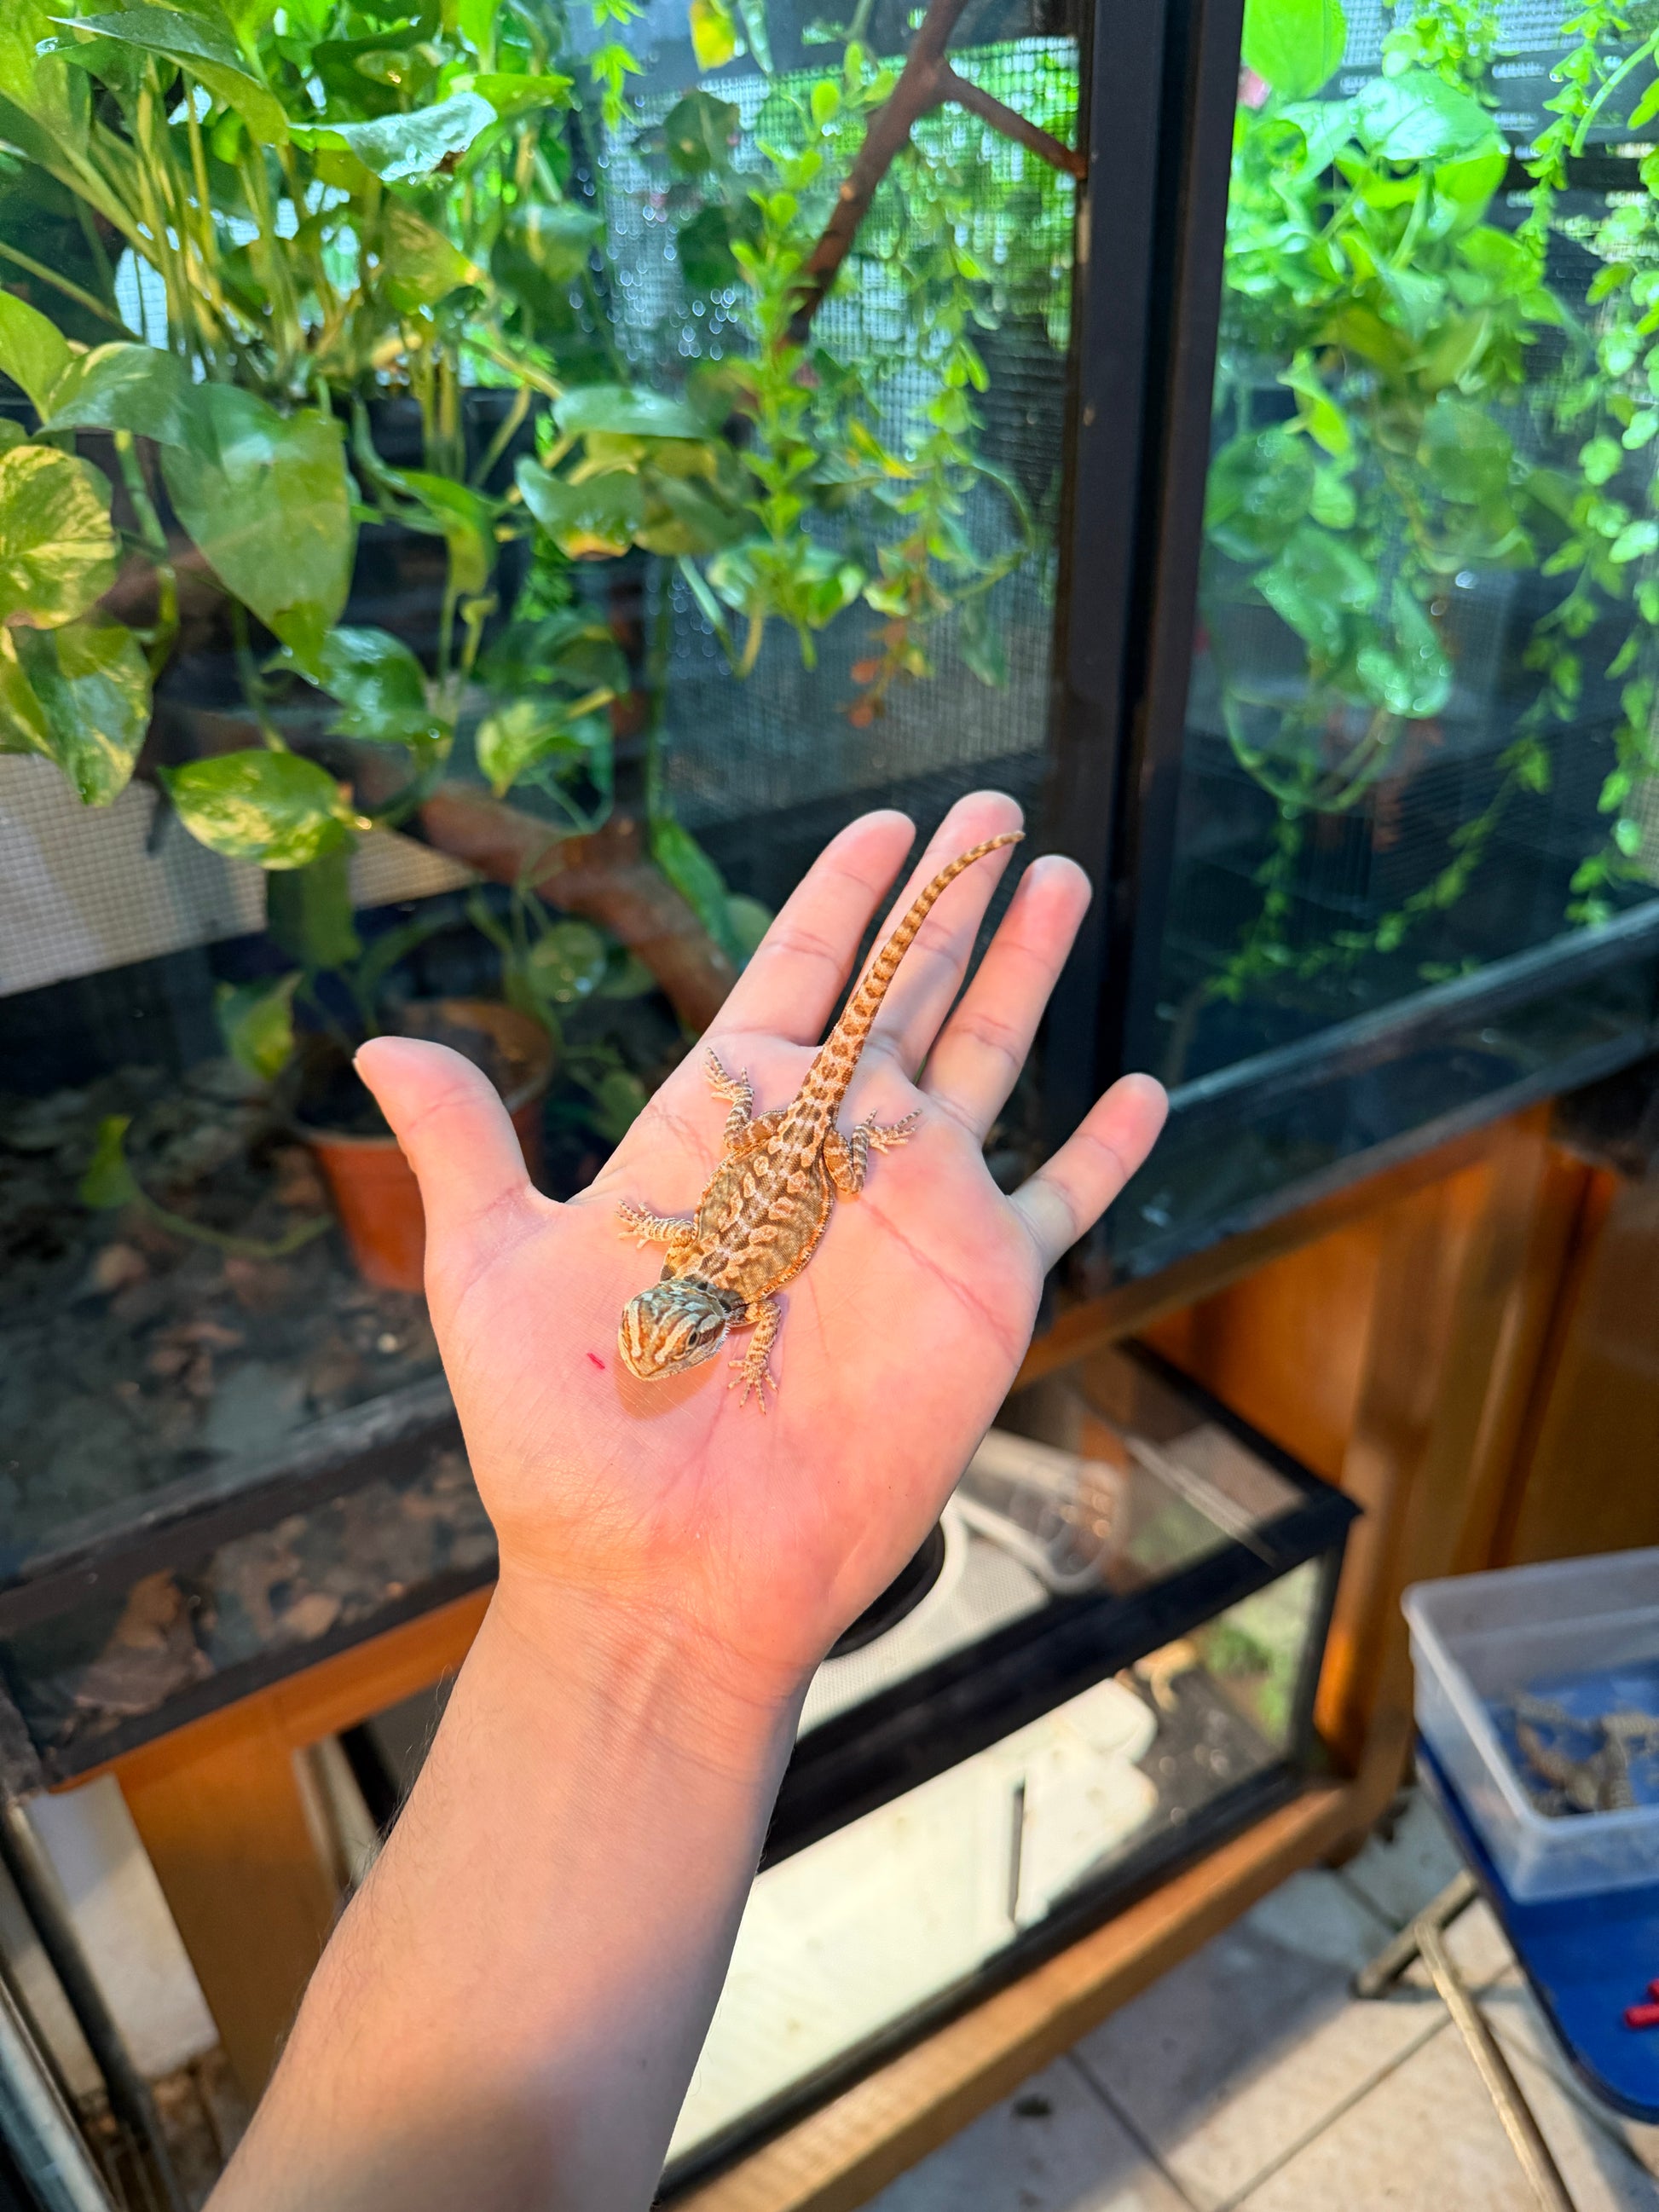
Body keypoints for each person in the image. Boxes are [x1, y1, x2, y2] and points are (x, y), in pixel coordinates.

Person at [207, 792, 1167, 2212]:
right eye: (659, 1338)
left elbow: (745, 1274)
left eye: (667, 1343)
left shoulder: (735, 1291)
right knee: (830, 1069)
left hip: (796, 1156)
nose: (654, 1352)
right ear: (668, 1306)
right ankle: (948, 882)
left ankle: (959, 870)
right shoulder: (699, 1275)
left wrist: (797, 1159)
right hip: (767, 1173)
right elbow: (694, 1240)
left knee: (845, 1070)